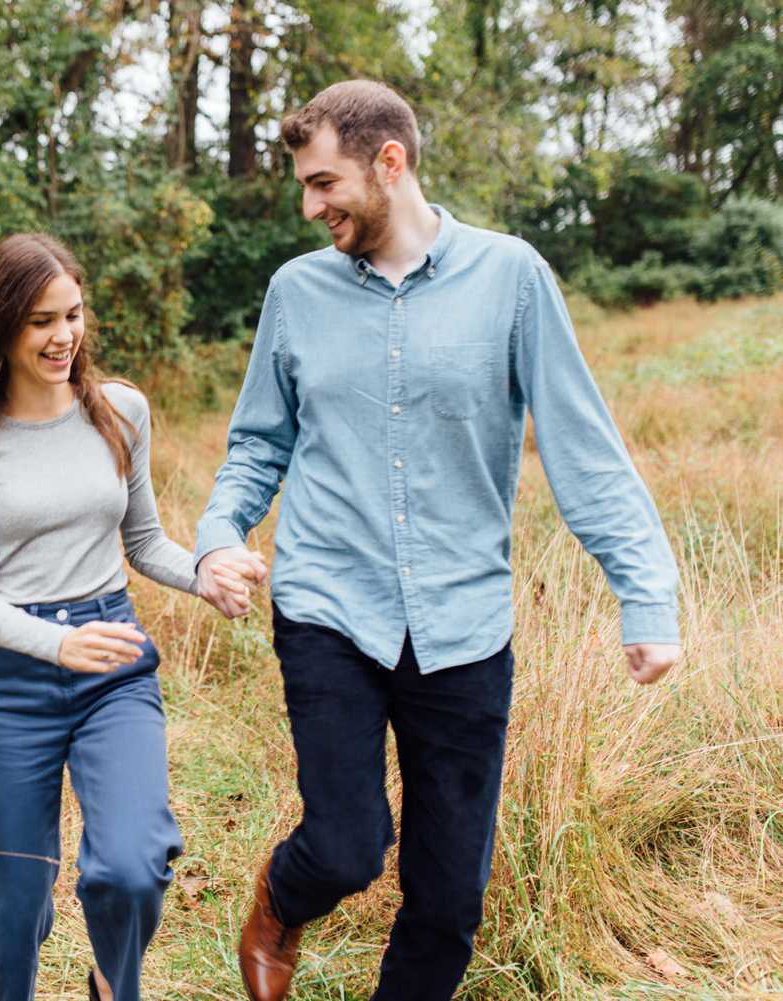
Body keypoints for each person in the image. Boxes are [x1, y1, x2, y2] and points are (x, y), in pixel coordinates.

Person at [192, 80, 683, 1001]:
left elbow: (584, 445)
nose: (311, 206)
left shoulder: (512, 278)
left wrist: (644, 593)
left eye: (324, 182)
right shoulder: (296, 293)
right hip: (329, 606)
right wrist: (218, 536)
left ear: (392, 161)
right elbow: (258, 444)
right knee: (346, 844)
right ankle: (279, 899)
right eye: (304, 186)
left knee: (449, 899)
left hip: (464, 621)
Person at [0, 232, 262, 1001]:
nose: (63, 336)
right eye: (41, 321)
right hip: (12, 676)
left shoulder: (120, 411)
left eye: (73, 315)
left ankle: (112, 981)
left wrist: (207, 573)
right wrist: (57, 643)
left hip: (113, 660)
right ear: (2, 326)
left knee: (131, 867)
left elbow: (144, 541)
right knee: (8, 906)